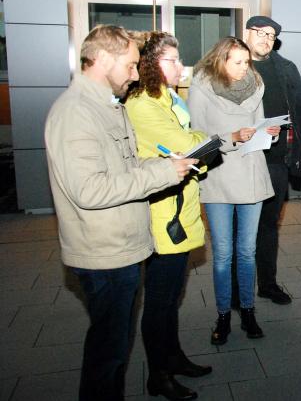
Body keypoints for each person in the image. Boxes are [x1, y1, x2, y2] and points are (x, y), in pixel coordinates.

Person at [44, 25, 198, 401]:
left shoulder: (104, 105)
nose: (135, 73)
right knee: (108, 355)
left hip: (123, 246)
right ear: (104, 59)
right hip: (104, 251)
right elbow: (90, 190)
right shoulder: (76, 113)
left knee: (114, 347)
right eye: (130, 65)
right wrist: (161, 172)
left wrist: (160, 164)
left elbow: (122, 166)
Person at [125, 32, 212, 400]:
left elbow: (194, 140)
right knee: (160, 301)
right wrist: (202, 141)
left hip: (180, 206)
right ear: (149, 64)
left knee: (173, 294)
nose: (181, 67)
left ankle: (173, 358)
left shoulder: (169, 98)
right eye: (172, 60)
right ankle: (158, 376)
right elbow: (188, 143)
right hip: (164, 213)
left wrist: (200, 141)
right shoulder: (144, 102)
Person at [188, 37, 274, 344]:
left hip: (252, 174)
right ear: (220, 60)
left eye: (246, 62)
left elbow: (258, 125)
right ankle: (223, 314)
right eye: (237, 62)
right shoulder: (201, 85)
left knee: (247, 251)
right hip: (219, 177)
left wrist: (267, 132)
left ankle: (248, 311)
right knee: (223, 254)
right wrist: (232, 137)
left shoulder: (255, 83)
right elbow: (196, 139)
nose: (244, 68)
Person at [243, 15, 301, 304]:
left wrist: (295, 150)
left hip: (275, 160)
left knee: (268, 226)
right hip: (241, 160)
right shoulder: (231, 65)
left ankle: (267, 284)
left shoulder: (285, 68)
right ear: (247, 33)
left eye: (272, 35)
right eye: (261, 32)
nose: (266, 39)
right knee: (241, 229)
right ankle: (237, 290)